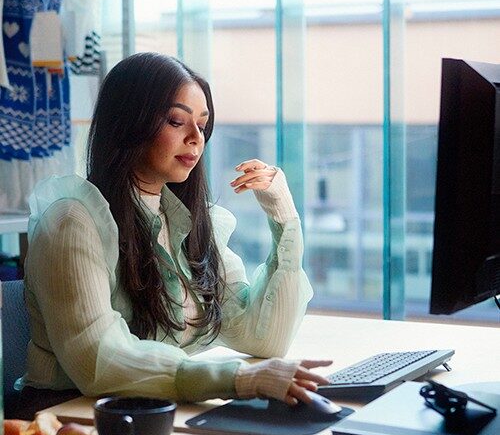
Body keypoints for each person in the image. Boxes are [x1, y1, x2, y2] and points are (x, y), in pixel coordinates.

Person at [19, 52, 331, 416]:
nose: (196, 138)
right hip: (69, 415)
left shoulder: (190, 222)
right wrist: (239, 379)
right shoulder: (72, 222)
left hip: (158, 409)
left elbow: (264, 337)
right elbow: (97, 360)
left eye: (202, 124)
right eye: (176, 121)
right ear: (129, 123)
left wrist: (283, 214)